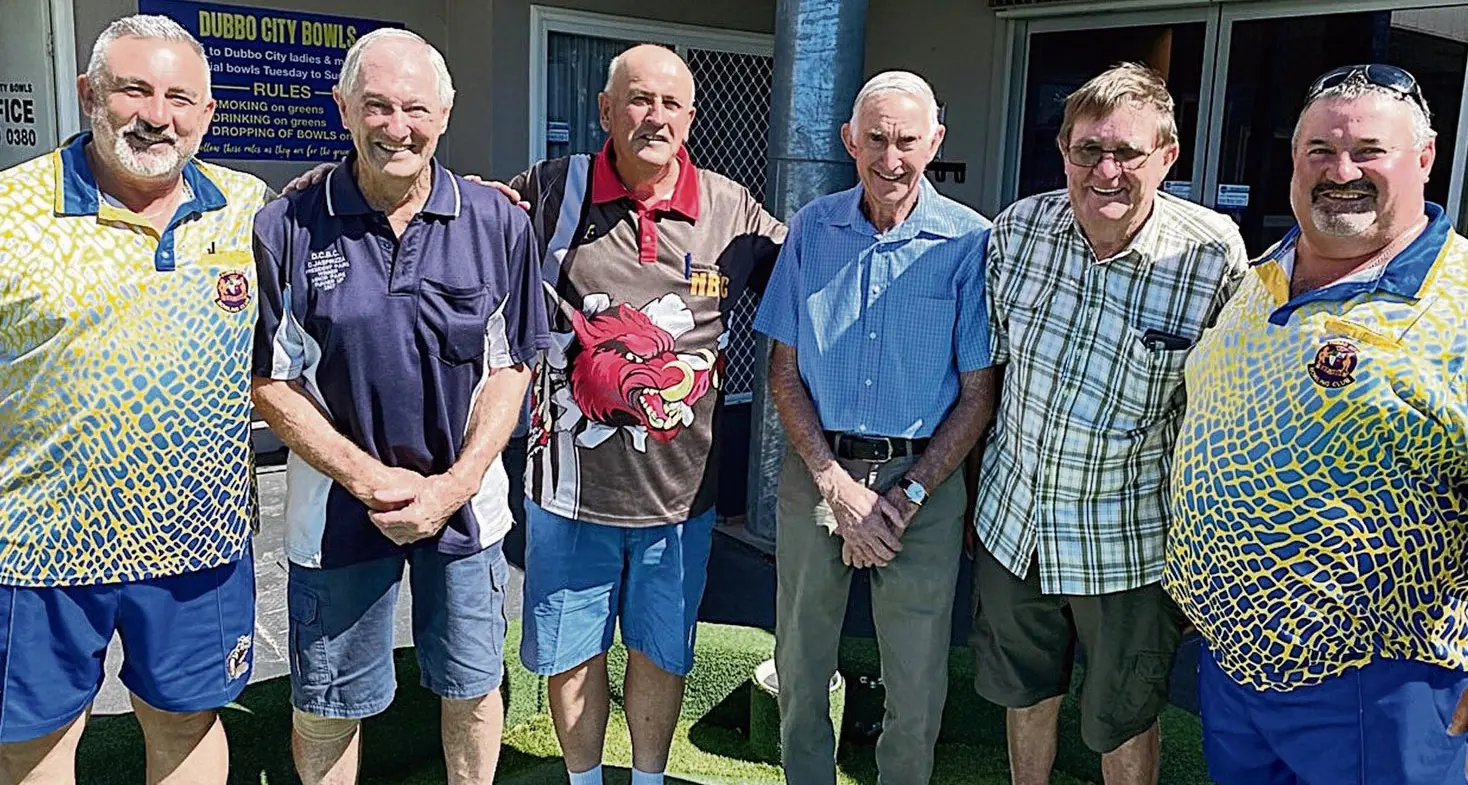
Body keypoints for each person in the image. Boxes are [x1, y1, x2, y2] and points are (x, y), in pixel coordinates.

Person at [250, 28, 547, 785]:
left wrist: (451, 487)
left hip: (469, 509)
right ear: (344, 110)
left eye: (415, 107)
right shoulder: (286, 226)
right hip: (337, 511)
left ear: (444, 114)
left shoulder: (499, 223)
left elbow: (512, 368)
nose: (396, 126)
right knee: (327, 701)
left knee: (473, 686)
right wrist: (366, 478)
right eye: (375, 106)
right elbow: (271, 382)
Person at [1166, 63, 1468, 785]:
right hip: (1234, 660)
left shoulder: (1458, 298)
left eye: (1369, 150)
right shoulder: (1262, 271)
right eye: (1320, 153)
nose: (1342, 171)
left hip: (1386, 679)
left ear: (1424, 159)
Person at [0, 14, 269, 785]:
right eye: (134, 90)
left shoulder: (249, 206)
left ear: (208, 115)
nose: (158, 115)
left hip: (199, 541)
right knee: (33, 741)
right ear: (89, 93)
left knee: (187, 725)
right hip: (37, 545)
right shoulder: (11, 210)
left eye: (182, 97)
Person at [507, 44, 784, 785]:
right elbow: (470, 234)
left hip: (681, 498)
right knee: (572, 654)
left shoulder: (733, 208)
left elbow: (814, 275)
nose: (653, 115)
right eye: (637, 99)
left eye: (669, 103)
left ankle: (651, 778)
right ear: (606, 110)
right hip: (568, 494)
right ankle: (585, 778)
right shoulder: (548, 189)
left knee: (661, 651)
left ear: (690, 118)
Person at [970, 62, 1249, 785]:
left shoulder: (1212, 254)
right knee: (1025, 693)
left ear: (1167, 156)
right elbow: (990, 374)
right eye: (1087, 149)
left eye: (1127, 152)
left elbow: (1221, 417)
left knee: (1123, 717)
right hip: (1015, 524)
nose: (1106, 170)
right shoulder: (1019, 230)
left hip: (1127, 545)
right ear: (1063, 151)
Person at [753, 70, 998, 785]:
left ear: (936, 143)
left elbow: (979, 392)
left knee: (917, 678)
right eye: (877, 140)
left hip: (924, 483)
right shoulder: (812, 228)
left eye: (908, 141)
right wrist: (835, 484)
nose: (892, 158)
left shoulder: (968, 241)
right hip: (818, 472)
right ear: (849, 141)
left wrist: (907, 495)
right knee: (800, 662)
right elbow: (783, 372)